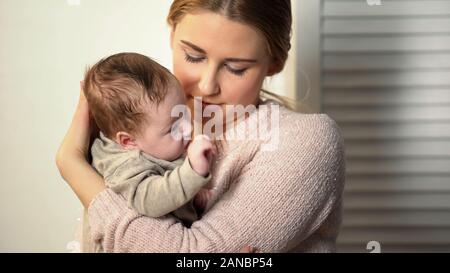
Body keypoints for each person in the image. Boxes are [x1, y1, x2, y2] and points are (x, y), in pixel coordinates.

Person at [56, 0, 345, 252]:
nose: (207, 86)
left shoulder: (304, 140)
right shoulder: (138, 119)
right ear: (171, 35)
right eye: (194, 56)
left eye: (236, 68)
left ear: (275, 63)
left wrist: (74, 167)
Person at [79, 52, 217, 252]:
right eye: (173, 127)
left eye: (183, 113)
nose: (188, 128)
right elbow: (151, 200)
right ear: (128, 141)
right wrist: (192, 171)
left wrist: (195, 199)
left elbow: (169, 182)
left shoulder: (154, 144)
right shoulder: (125, 164)